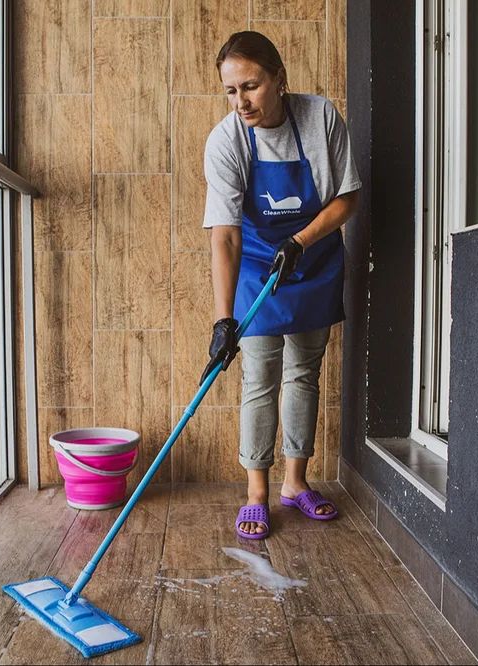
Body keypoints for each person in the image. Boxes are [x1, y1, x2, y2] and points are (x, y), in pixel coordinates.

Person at [201, 31, 361, 540]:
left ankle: (295, 482)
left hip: (314, 258)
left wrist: (301, 240)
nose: (241, 101)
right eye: (231, 91)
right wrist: (224, 320)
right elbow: (225, 235)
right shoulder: (226, 141)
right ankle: (256, 494)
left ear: (279, 79)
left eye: (251, 86)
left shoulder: (319, 118)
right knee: (260, 373)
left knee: (304, 372)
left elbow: (346, 198)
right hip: (255, 263)